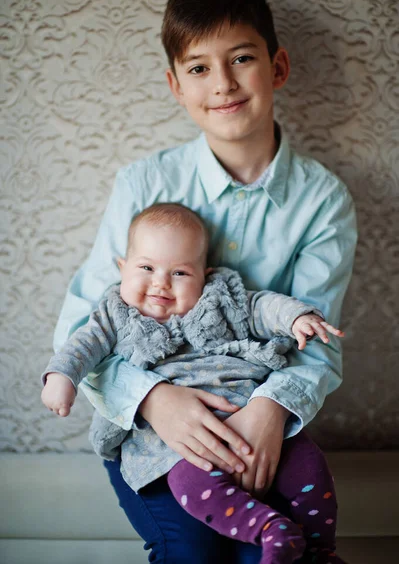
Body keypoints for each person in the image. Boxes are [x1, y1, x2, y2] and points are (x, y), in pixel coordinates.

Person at [50, 0, 357, 564]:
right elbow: (83, 328)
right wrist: (155, 399)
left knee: (274, 552)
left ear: (278, 66)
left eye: (242, 58)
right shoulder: (144, 185)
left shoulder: (323, 200)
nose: (223, 84)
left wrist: (271, 411)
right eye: (198, 68)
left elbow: (318, 338)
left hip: (262, 418)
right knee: (192, 550)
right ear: (175, 85)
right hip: (155, 434)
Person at [42, 203, 345, 564]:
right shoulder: (114, 313)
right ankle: (268, 528)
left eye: (180, 273)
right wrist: (61, 377)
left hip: (251, 421)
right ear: (122, 268)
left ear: (205, 276)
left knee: (309, 463)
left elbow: (262, 307)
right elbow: (83, 344)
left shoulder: (221, 298)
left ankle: (319, 549)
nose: (160, 282)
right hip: (177, 445)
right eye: (146, 267)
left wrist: (296, 318)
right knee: (190, 484)